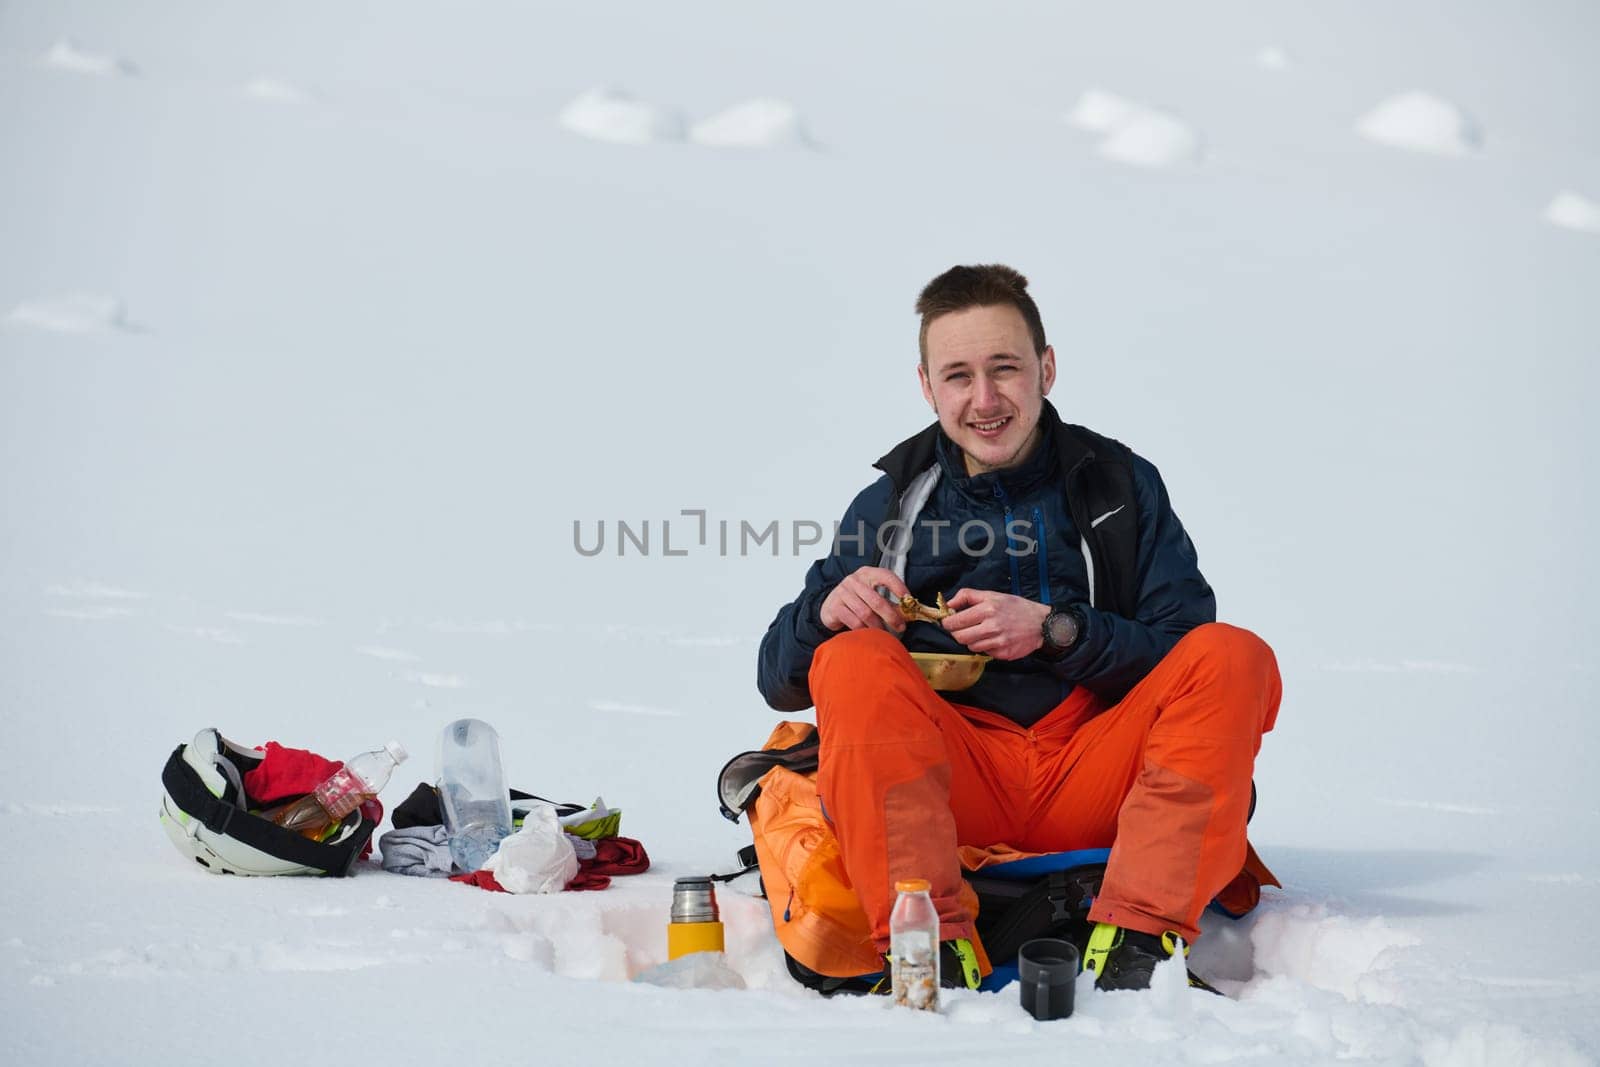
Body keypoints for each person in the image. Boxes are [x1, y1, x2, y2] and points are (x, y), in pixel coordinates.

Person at [756, 264, 1282, 992]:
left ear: (1047, 367)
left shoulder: (1121, 486)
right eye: (959, 376)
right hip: (956, 778)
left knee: (1236, 655)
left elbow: (1186, 655)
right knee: (851, 660)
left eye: (1005, 368)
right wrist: (824, 613)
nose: (985, 399)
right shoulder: (890, 506)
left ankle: (1139, 936)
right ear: (926, 386)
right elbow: (776, 679)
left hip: (1096, 770)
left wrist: (1058, 630)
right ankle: (930, 946)